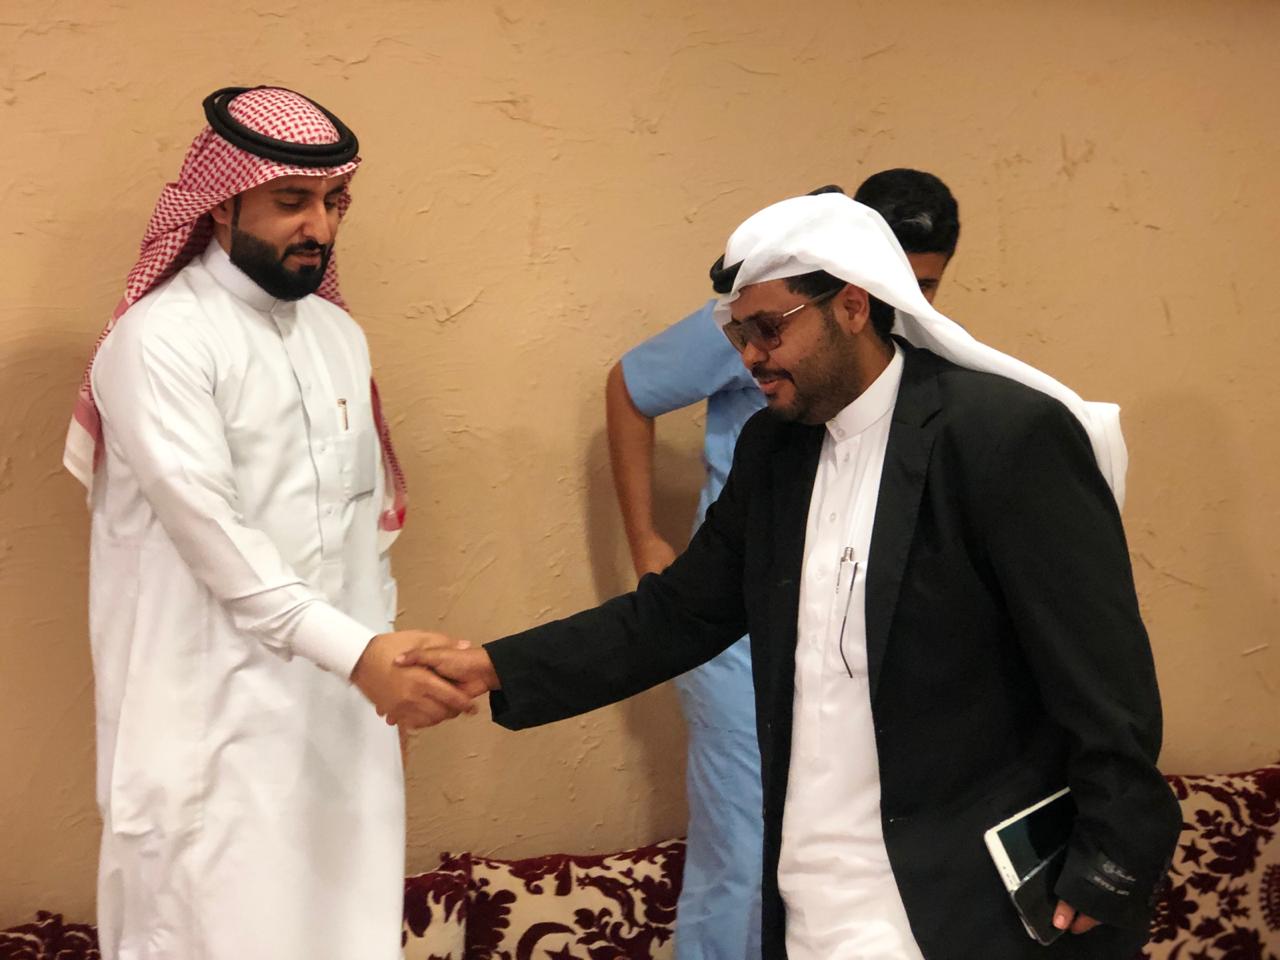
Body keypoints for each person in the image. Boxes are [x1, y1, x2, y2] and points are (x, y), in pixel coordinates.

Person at [402, 193, 1180, 958]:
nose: (750, 357)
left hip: (962, 900)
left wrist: (1115, 859)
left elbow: (1101, 670)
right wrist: (495, 666)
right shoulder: (776, 452)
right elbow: (677, 616)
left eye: (769, 329)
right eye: (738, 333)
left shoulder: (998, 437)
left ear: (852, 306)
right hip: (811, 894)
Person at [63, 86, 472, 960]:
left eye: (334, 202)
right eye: (292, 201)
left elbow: (363, 538)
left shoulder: (339, 336)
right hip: (207, 739)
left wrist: (380, 669)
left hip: (339, 729)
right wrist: (363, 658)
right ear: (221, 204)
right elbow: (218, 542)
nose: (319, 226)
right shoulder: (161, 341)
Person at [603, 170, 959, 960]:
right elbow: (630, 386)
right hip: (736, 630)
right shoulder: (769, 317)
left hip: (841, 642)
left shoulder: (926, 370)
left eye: (925, 284)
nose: (903, 301)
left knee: (829, 852)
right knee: (745, 852)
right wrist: (647, 544)